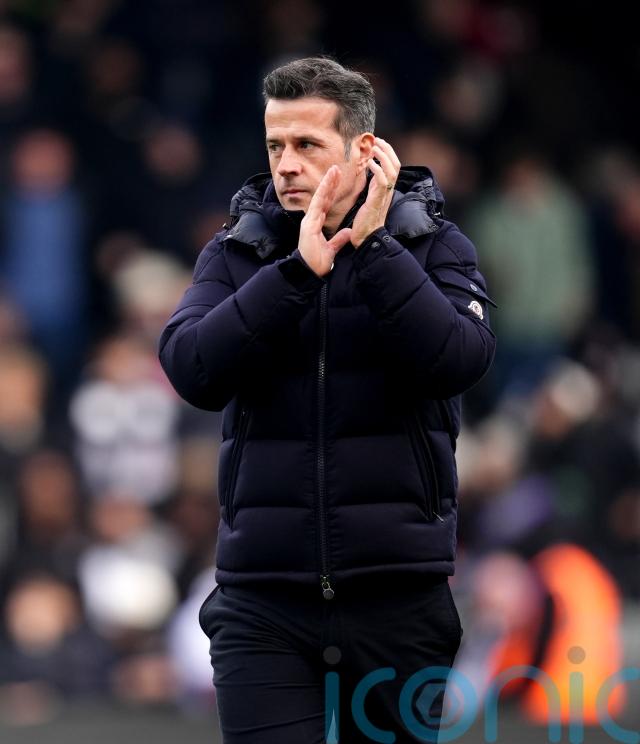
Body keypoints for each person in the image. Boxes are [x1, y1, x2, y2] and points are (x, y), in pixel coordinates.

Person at [159, 56, 496, 744]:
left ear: (363, 149)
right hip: (263, 598)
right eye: (275, 146)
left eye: (307, 144)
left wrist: (373, 250)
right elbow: (191, 369)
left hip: (397, 595)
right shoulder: (238, 252)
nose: (286, 165)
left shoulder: (433, 244)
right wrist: (293, 275)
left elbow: (461, 359)